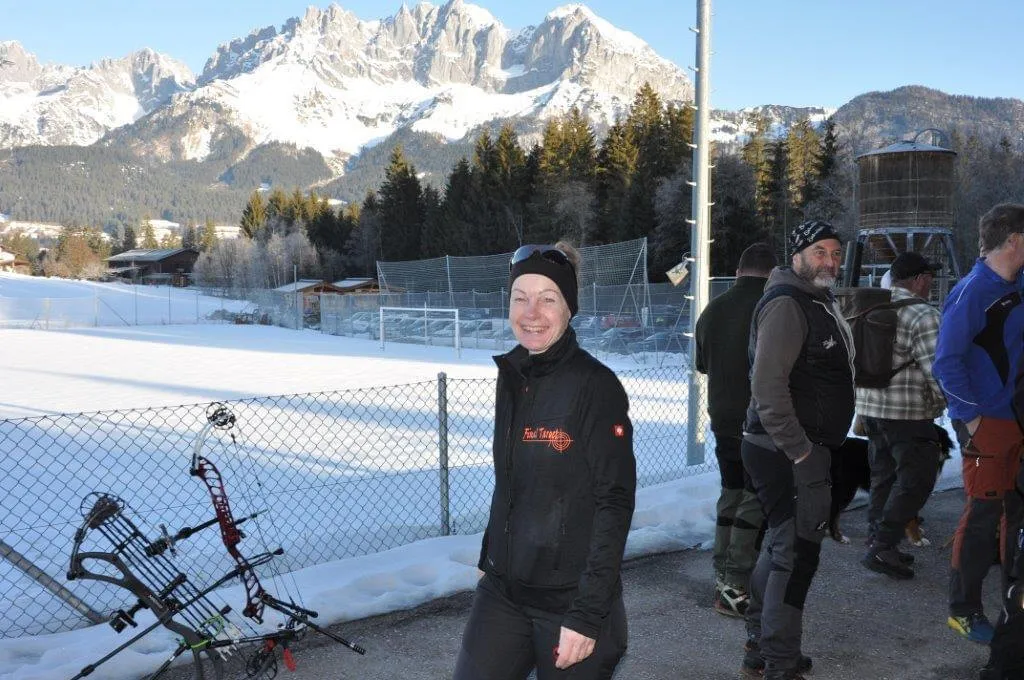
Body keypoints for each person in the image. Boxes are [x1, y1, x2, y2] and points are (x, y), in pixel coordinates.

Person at [452, 242, 637, 680]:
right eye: (520, 298)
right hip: (504, 591)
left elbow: (614, 502)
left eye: (547, 299)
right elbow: (511, 482)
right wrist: (491, 553)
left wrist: (587, 615)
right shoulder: (514, 376)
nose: (531, 312)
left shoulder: (595, 385)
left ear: (569, 308)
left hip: (570, 601)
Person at [740, 220, 854, 680]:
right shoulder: (788, 303)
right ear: (797, 255)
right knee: (797, 556)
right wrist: (801, 452)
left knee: (781, 545)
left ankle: (761, 645)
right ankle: (780, 662)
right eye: (820, 252)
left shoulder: (814, 300)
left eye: (836, 253)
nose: (831, 261)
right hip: (786, 449)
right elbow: (767, 387)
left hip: (790, 446)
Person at [933, 202, 1024, 645]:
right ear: (1015, 240)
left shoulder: (1017, 284)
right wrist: (971, 418)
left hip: (1017, 420)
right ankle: (963, 610)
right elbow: (946, 362)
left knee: (1015, 516)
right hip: (987, 423)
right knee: (983, 515)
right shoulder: (972, 291)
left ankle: (1013, 606)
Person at [695, 242, 777, 617]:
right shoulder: (772, 307)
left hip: (723, 418)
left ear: (739, 270)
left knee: (731, 492)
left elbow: (703, 365)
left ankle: (722, 572)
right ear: (772, 273)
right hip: (760, 420)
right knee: (753, 499)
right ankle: (736, 583)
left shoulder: (713, 309)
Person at [856, 252, 947, 580]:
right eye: (930, 278)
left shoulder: (869, 308)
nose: (931, 284)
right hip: (908, 414)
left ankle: (878, 541)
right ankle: (883, 545)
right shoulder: (924, 314)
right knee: (916, 481)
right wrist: (948, 403)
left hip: (871, 409)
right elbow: (938, 370)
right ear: (920, 279)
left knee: (884, 477)